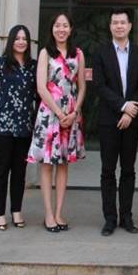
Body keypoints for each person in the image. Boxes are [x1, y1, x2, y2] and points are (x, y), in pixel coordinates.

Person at [91, 8, 138, 236]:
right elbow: (99, 85)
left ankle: (126, 217)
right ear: (110, 26)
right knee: (107, 170)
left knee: (128, 170)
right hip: (109, 120)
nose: (119, 26)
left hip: (131, 121)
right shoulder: (100, 52)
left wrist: (130, 111)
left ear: (130, 26)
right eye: (115, 22)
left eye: (123, 22)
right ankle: (110, 218)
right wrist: (123, 106)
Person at [27, 12, 86, 233]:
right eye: (57, 25)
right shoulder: (45, 53)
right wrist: (59, 113)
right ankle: (48, 214)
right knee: (47, 164)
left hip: (71, 114)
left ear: (71, 29)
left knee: (63, 164)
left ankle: (59, 212)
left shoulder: (78, 54)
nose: (61, 29)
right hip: (50, 113)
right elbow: (41, 87)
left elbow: (82, 86)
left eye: (65, 25)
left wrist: (74, 111)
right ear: (52, 29)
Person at [0, 24, 37, 231]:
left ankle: (16, 210)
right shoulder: (0, 64)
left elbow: (37, 94)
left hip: (24, 126)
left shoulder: (33, 66)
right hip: (2, 127)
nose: (21, 42)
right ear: (11, 41)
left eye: (24, 38)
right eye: (17, 38)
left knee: (19, 171)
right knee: (1, 169)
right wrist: (0, 111)